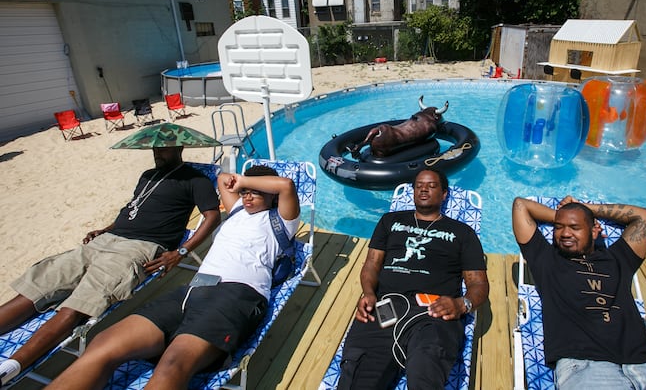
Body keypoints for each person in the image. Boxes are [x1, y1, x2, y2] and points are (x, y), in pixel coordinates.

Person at [47, 164, 300, 389]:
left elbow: (286, 185)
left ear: (271, 195)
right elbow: (223, 178)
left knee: (172, 364)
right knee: (103, 344)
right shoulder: (236, 211)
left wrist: (244, 181)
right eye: (244, 192)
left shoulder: (281, 220)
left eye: (255, 192)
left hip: (237, 295)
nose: (247, 197)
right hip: (192, 290)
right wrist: (242, 184)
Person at [0, 146, 221, 385]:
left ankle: (10, 368)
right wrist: (106, 229)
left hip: (140, 247)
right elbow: (132, 209)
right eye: (155, 148)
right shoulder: (148, 175)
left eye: (163, 149)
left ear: (179, 148)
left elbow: (212, 216)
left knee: (80, 303)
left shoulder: (196, 180)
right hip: (104, 241)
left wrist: (180, 252)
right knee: (38, 286)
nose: (157, 153)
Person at [511, 196, 646, 389]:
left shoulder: (619, 259)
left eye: (575, 227)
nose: (565, 233)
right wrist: (567, 213)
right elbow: (521, 205)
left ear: (594, 231)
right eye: (559, 227)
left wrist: (586, 209)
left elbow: (641, 216)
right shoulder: (547, 260)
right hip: (585, 367)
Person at [337, 169, 489, 390]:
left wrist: (461, 304)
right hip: (385, 306)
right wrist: (369, 293)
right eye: (418, 185)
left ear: (444, 193)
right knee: (359, 377)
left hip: (433, 311)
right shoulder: (390, 221)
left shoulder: (462, 233)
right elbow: (371, 264)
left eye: (431, 185)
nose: (423, 189)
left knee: (425, 375)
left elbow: (479, 284)